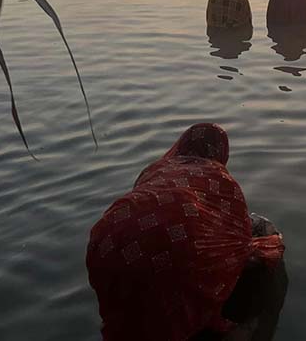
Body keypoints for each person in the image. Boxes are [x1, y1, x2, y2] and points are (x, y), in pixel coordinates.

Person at [85, 124, 285, 341]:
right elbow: (238, 243)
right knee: (212, 259)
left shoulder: (155, 168)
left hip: (107, 239)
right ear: (220, 151)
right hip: (167, 245)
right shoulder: (221, 178)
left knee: (140, 274)